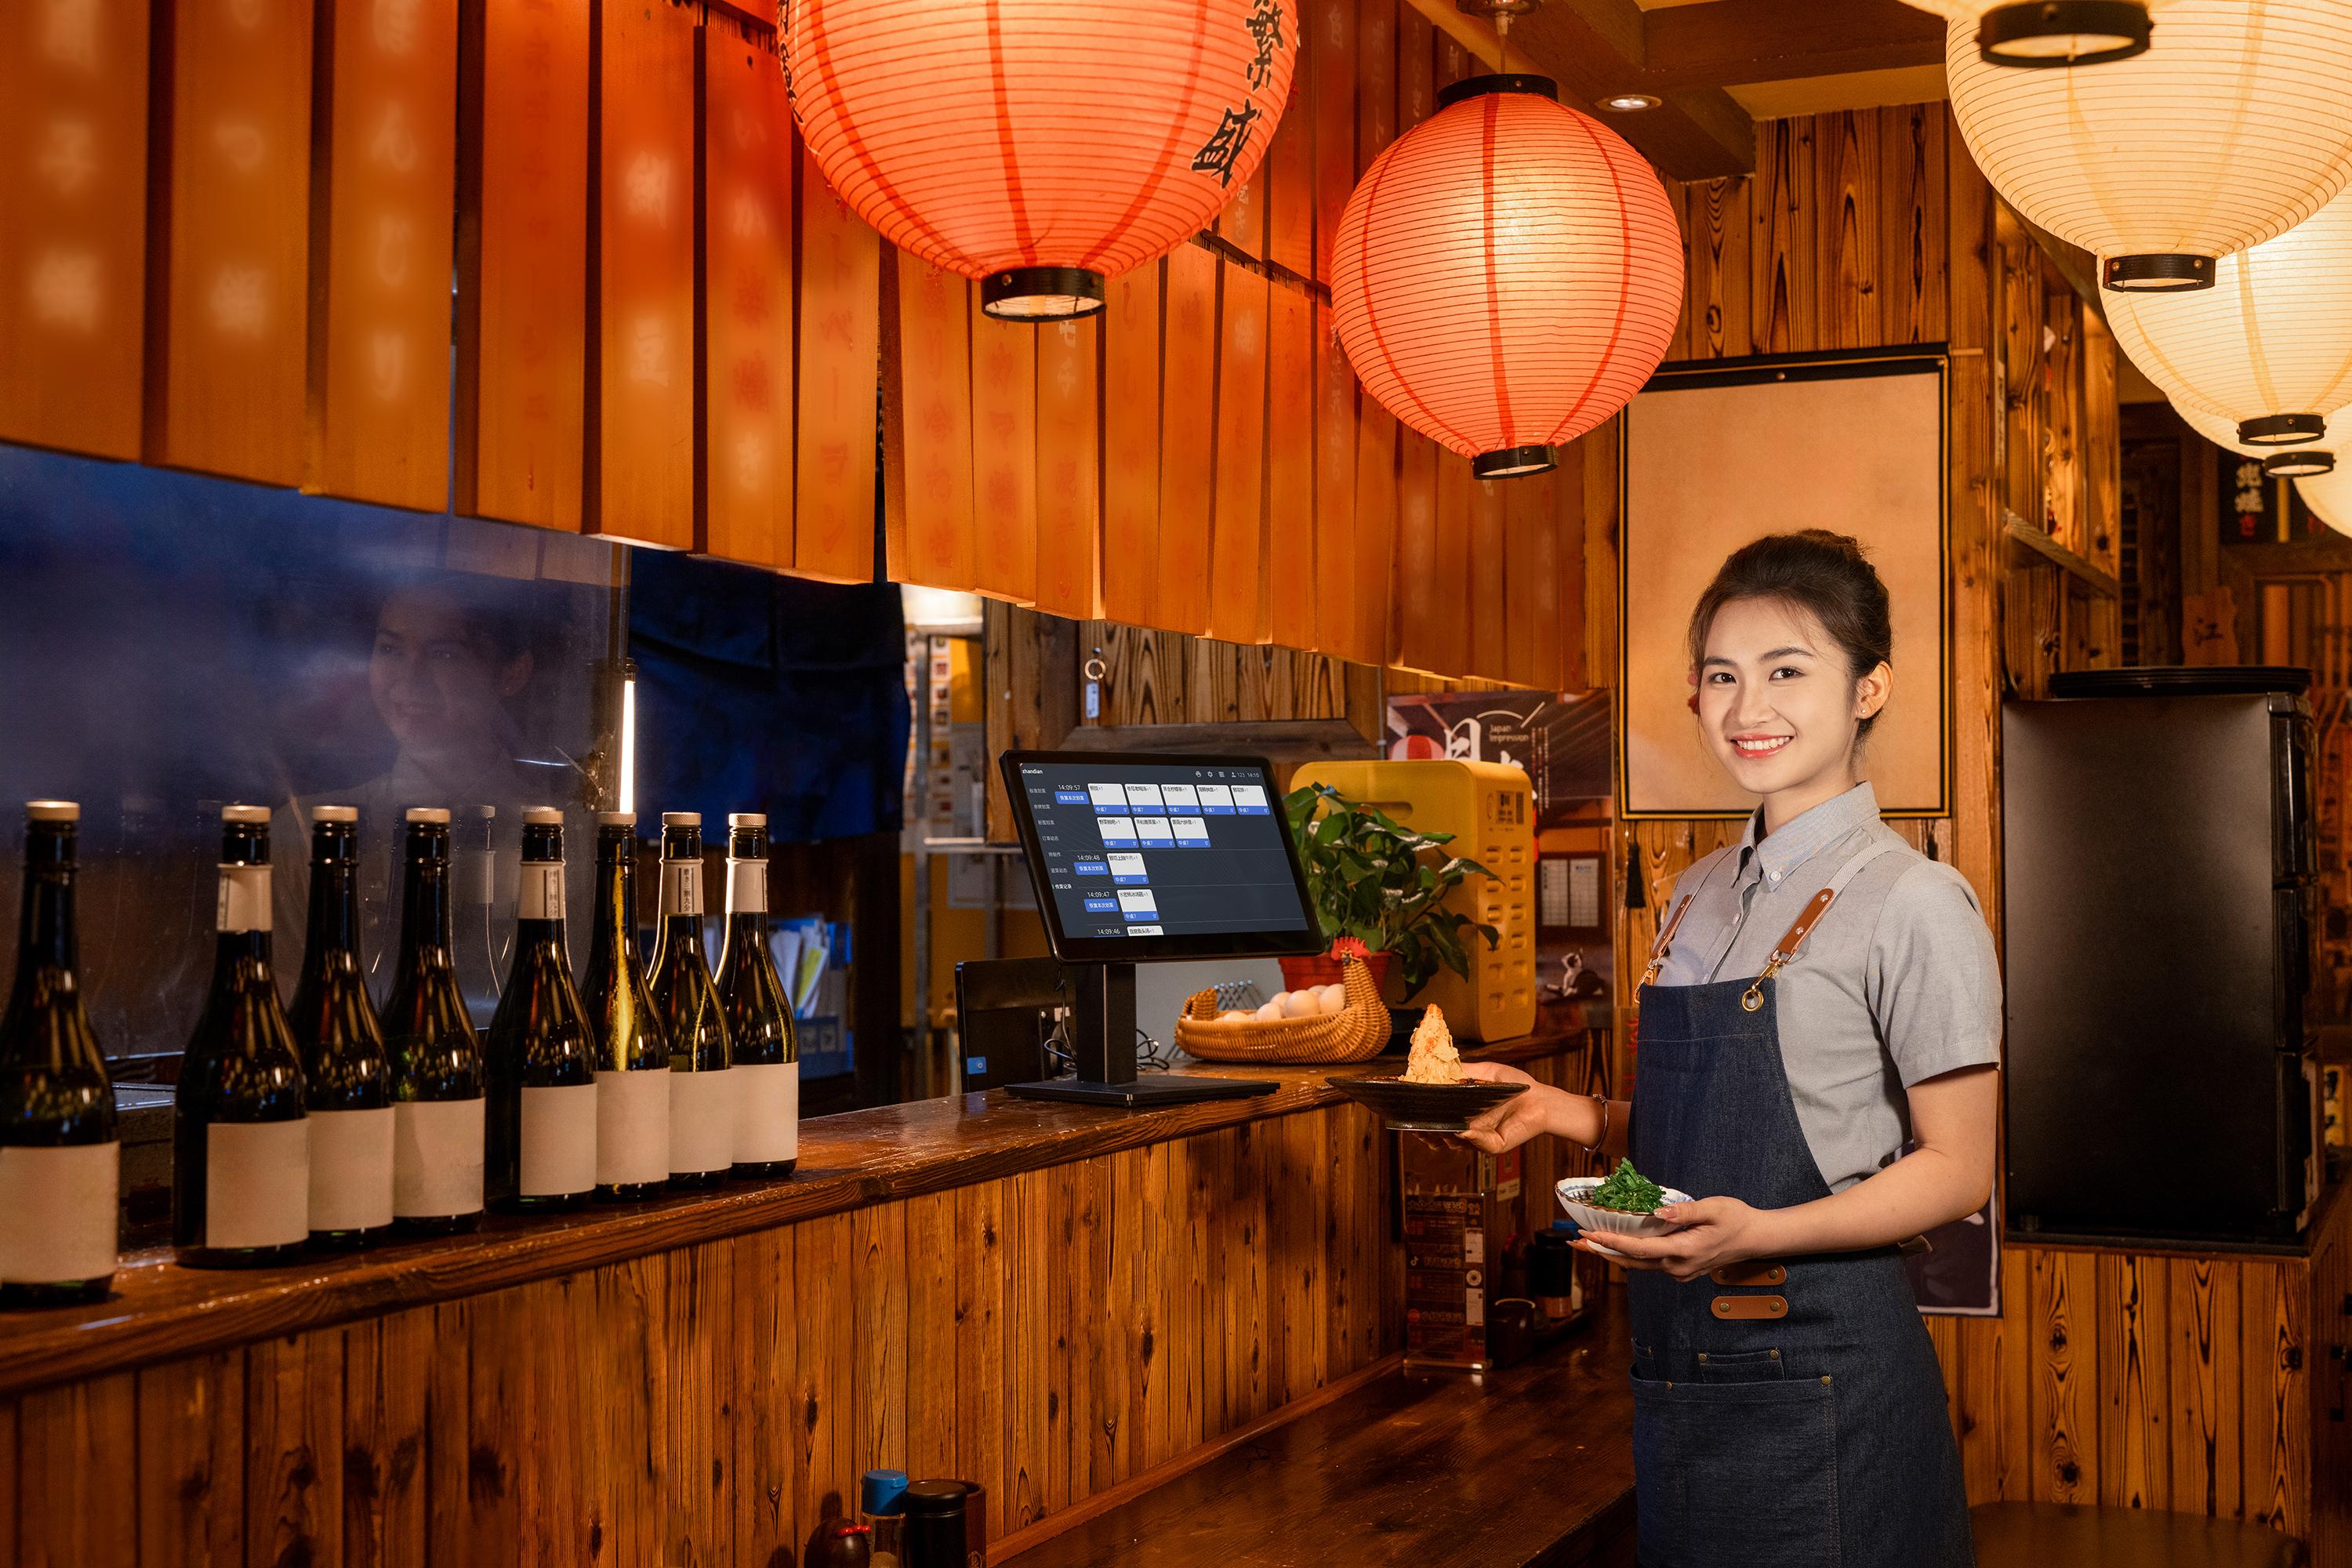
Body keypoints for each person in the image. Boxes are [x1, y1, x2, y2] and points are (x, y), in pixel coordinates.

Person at [1461, 530, 1997, 1567]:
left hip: (1829, 1376)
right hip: (1677, 1369)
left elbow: (1959, 1168)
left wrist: (1761, 1232)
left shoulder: (1916, 903)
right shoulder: (1698, 892)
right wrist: (1562, 1113)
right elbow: (1693, 1147)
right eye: (1722, 676)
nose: (1748, 709)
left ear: (1869, 688)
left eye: (1787, 672)